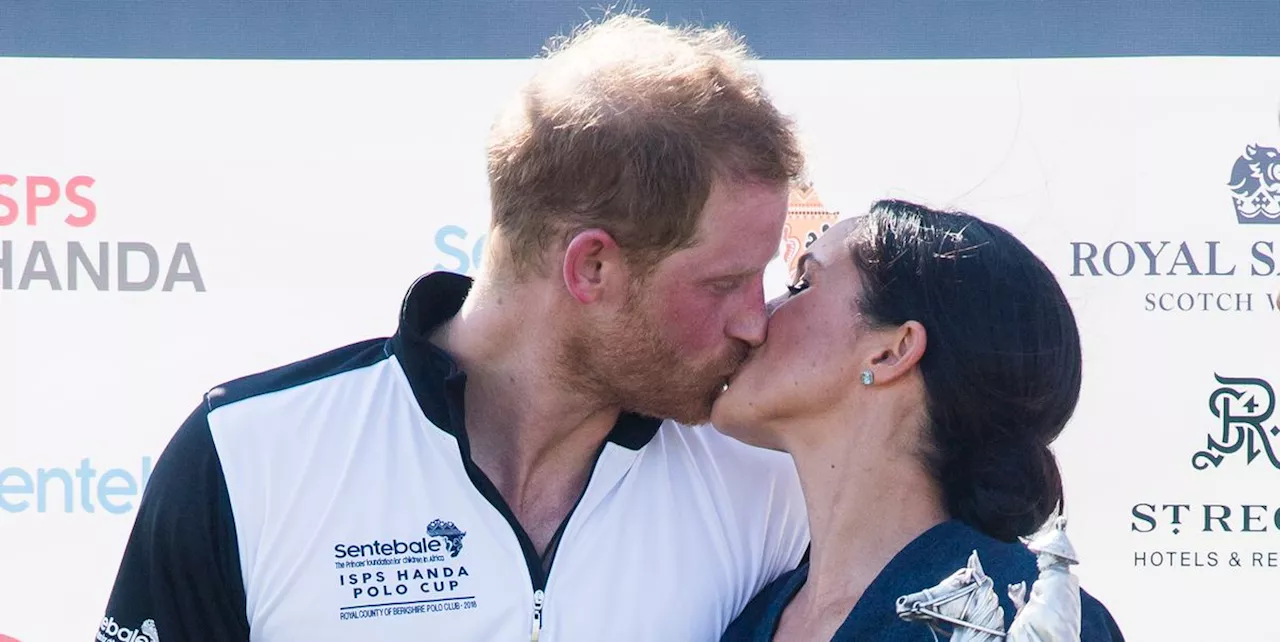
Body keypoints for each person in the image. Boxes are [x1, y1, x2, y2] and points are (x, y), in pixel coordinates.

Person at [97, 13, 810, 642]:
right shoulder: (249, 456)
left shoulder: (775, 486)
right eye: (725, 283)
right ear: (592, 266)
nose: (756, 320)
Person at [713, 199, 1127, 641]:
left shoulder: (1022, 616)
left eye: (802, 284)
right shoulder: (748, 617)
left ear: (892, 351)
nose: (755, 320)